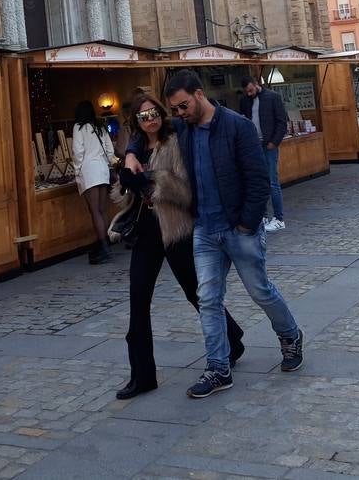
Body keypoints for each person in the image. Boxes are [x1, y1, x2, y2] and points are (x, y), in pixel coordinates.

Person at [127, 69, 303, 399]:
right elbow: (147, 128)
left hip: (239, 228)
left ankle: (291, 335)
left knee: (260, 291)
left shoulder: (237, 126)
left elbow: (258, 180)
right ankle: (218, 368)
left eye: (182, 106)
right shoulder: (183, 127)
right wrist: (131, 153)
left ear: (198, 95)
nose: (179, 113)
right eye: (175, 109)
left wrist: (247, 223)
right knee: (207, 299)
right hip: (205, 231)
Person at [114, 91, 246, 400]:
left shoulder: (176, 138)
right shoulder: (134, 147)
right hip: (146, 232)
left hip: (175, 229)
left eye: (155, 113)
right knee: (138, 299)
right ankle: (143, 375)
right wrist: (127, 174)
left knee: (195, 293)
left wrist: (152, 180)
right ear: (136, 121)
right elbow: (122, 192)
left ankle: (233, 339)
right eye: (144, 116)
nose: (151, 120)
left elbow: (186, 190)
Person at [238, 76, 287, 232]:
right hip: (254, 145)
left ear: (256, 84)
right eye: (247, 92)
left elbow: (281, 121)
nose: (249, 94)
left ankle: (279, 218)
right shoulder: (245, 100)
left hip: (269, 145)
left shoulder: (273, 97)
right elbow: (244, 120)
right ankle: (263, 216)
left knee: (272, 181)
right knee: (259, 181)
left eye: (251, 90)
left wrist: (275, 141)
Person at [72, 100, 115, 264]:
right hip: (103, 168)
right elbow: (110, 150)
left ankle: (103, 246)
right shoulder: (100, 126)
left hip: (89, 171)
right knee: (102, 210)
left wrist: (77, 171)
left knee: (94, 210)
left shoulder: (79, 128)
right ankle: (107, 244)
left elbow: (78, 152)